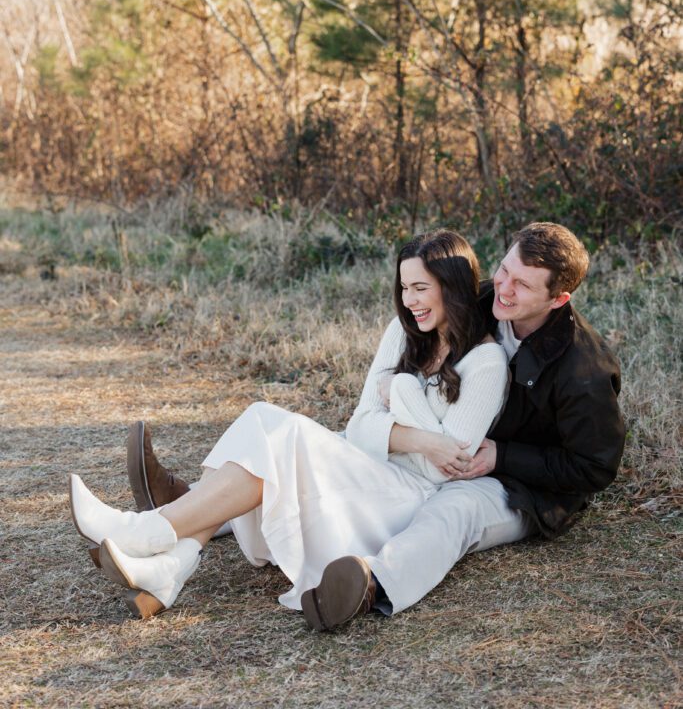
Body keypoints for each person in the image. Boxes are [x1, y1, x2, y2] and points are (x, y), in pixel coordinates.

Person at [118, 221, 625, 631]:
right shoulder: (485, 301)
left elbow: (595, 467)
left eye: (522, 285)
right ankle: (188, 510)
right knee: (320, 447)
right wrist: (411, 425)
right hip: (445, 447)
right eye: (504, 270)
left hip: (520, 486)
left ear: (557, 299)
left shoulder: (583, 369)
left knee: (454, 514)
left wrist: (504, 457)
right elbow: (391, 408)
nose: (504, 289)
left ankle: (368, 584)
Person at [68, 230, 510, 620]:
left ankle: (152, 533)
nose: (410, 301)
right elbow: (359, 426)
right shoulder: (404, 330)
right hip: (367, 463)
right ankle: (170, 561)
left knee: (283, 434)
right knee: (263, 419)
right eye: (404, 287)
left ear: (451, 288)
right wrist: (417, 436)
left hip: (407, 497)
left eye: (421, 288)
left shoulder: (486, 362)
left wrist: (401, 392)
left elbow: (441, 467)